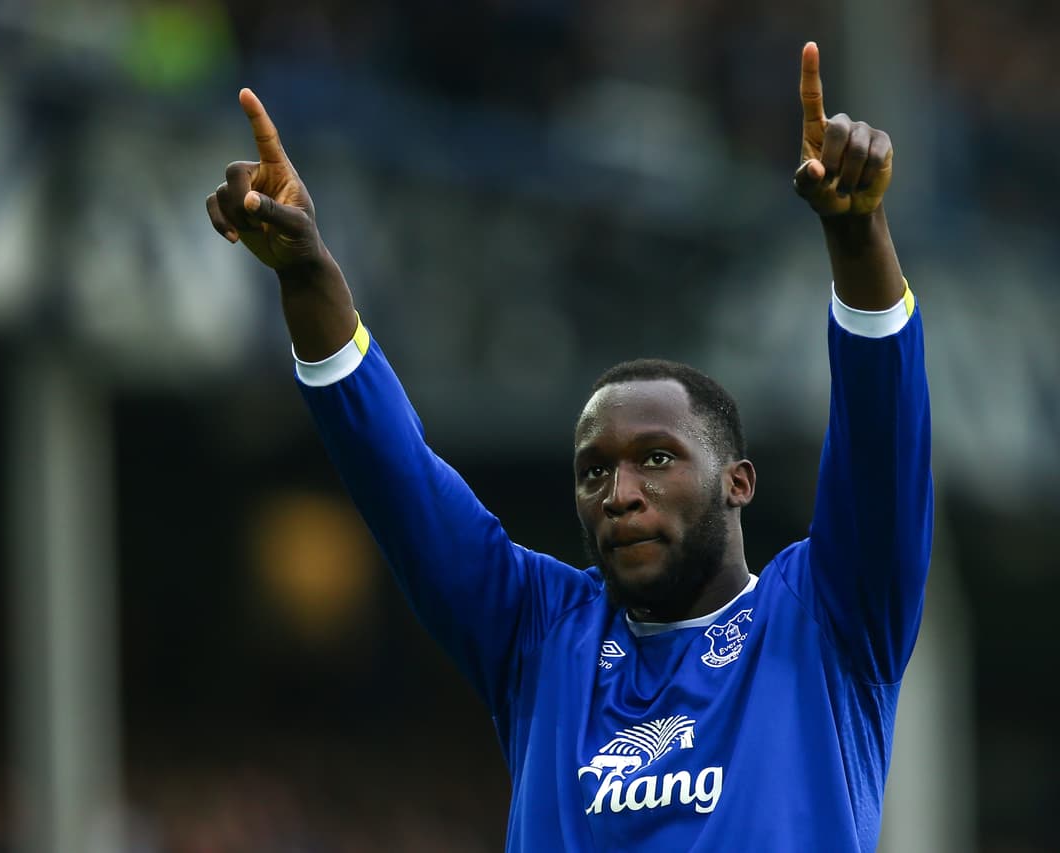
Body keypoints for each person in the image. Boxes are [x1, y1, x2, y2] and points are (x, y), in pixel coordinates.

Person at [206, 41, 932, 852]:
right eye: (594, 471)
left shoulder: (826, 617)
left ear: (738, 481)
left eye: (656, 458)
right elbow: (400, 483)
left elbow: (881, 446)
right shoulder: (541, 633)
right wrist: (308, 278)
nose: (619, 492)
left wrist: (858, 234)